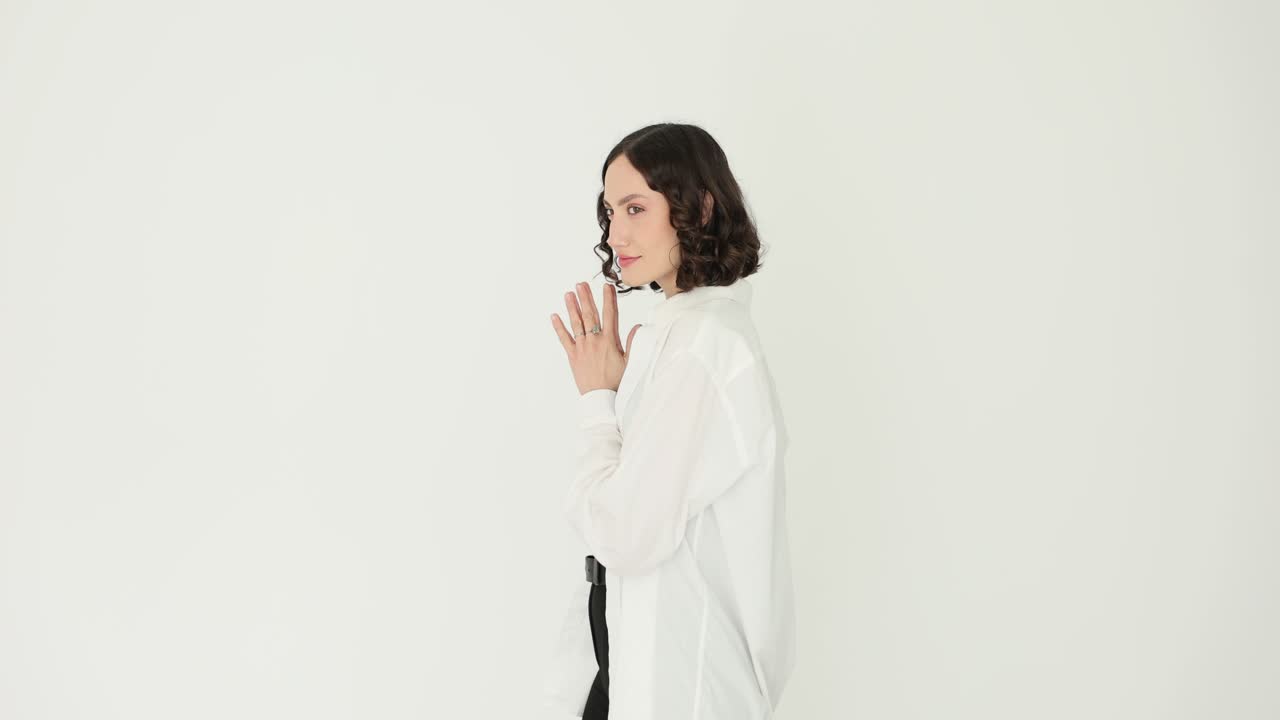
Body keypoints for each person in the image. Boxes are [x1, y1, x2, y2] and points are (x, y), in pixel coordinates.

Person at [544, 123, 796, 720]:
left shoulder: (707, 346)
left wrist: (597, 405)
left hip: (685, 688)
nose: (616, 234)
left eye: (636, 208)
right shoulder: (682, 335)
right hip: (642, 675)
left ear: (699, 208)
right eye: (611, 211)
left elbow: (626, 533)